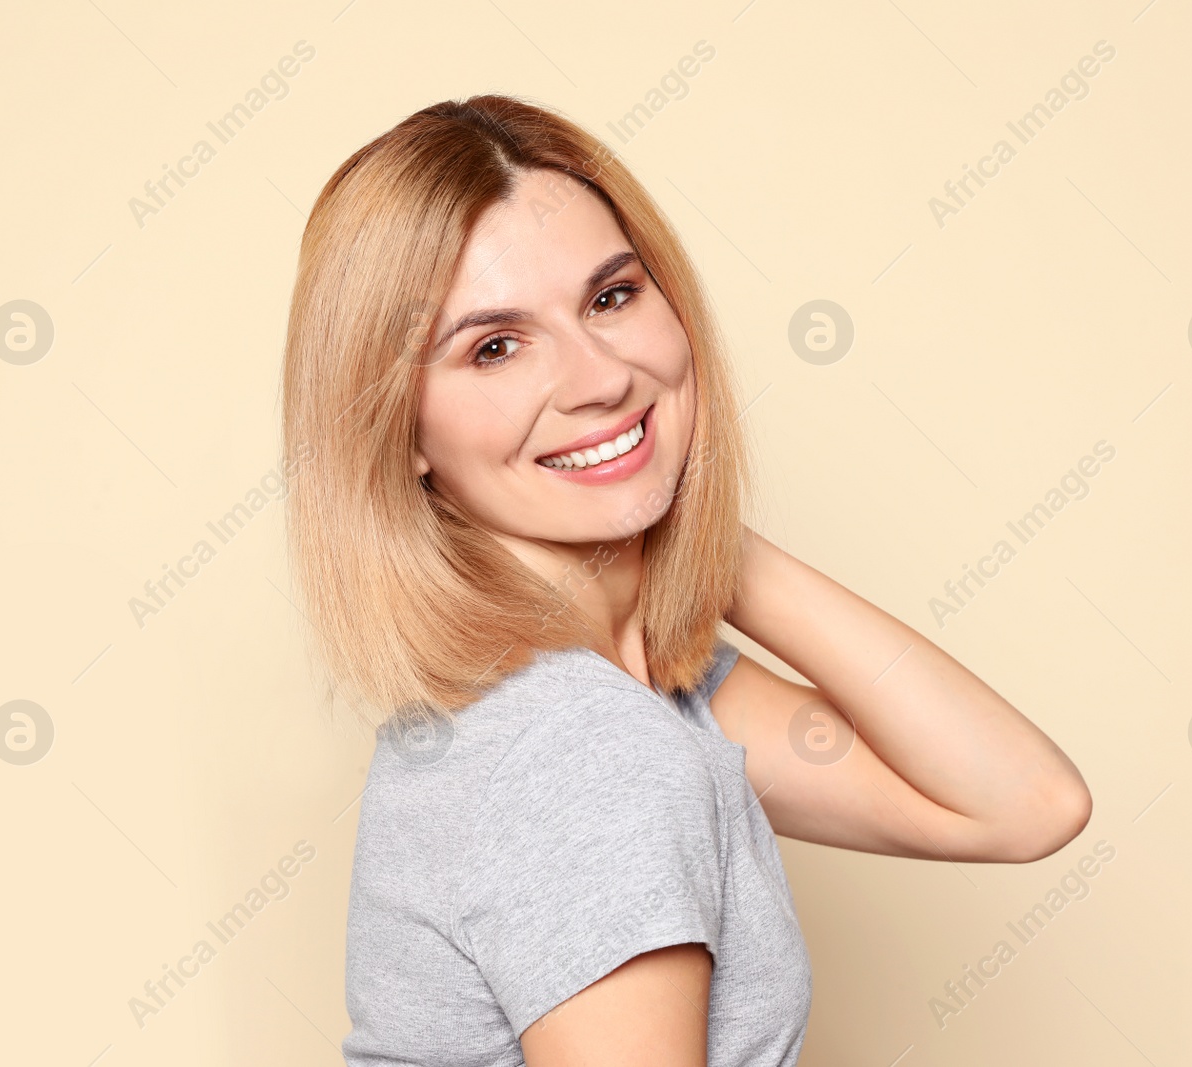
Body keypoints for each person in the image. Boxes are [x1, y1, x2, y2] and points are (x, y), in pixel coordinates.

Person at [280, 93, 1092, 1066]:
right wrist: (644, 481)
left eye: (611, 297)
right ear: (399, 430)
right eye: (494, 346)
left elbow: (1021, 802)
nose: (598, 377)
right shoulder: (586, 750)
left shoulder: (634, 692)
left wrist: (689, 527)